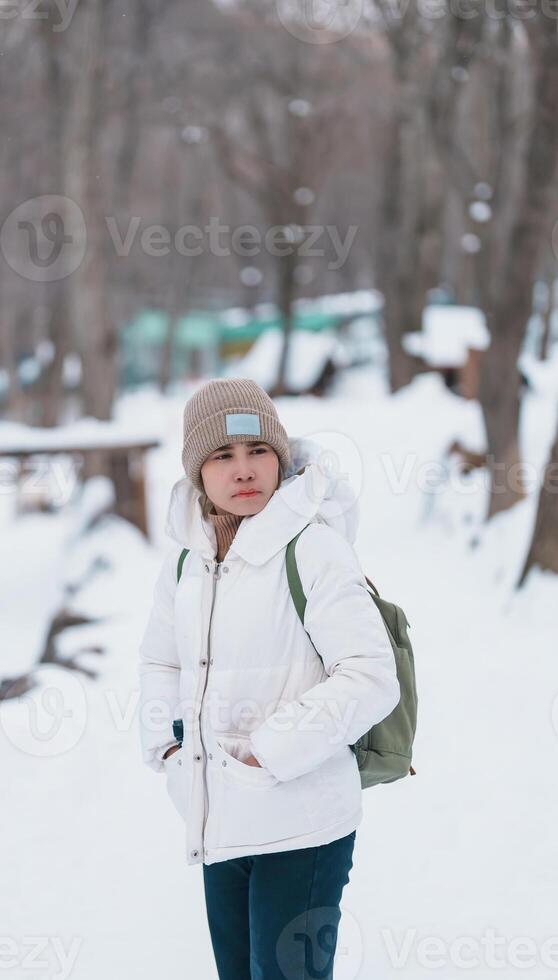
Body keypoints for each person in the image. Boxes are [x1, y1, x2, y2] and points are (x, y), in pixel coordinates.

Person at [137, 377, 400, 980]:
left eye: (258, 451)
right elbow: (159, 661)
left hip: (301, 821)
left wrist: (269, 752)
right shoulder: (186, 561)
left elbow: (369, 674)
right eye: (222, 456)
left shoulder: (312, 549)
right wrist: (169, 745)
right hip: (214, 815)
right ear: (196, 472)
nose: (244, 469)